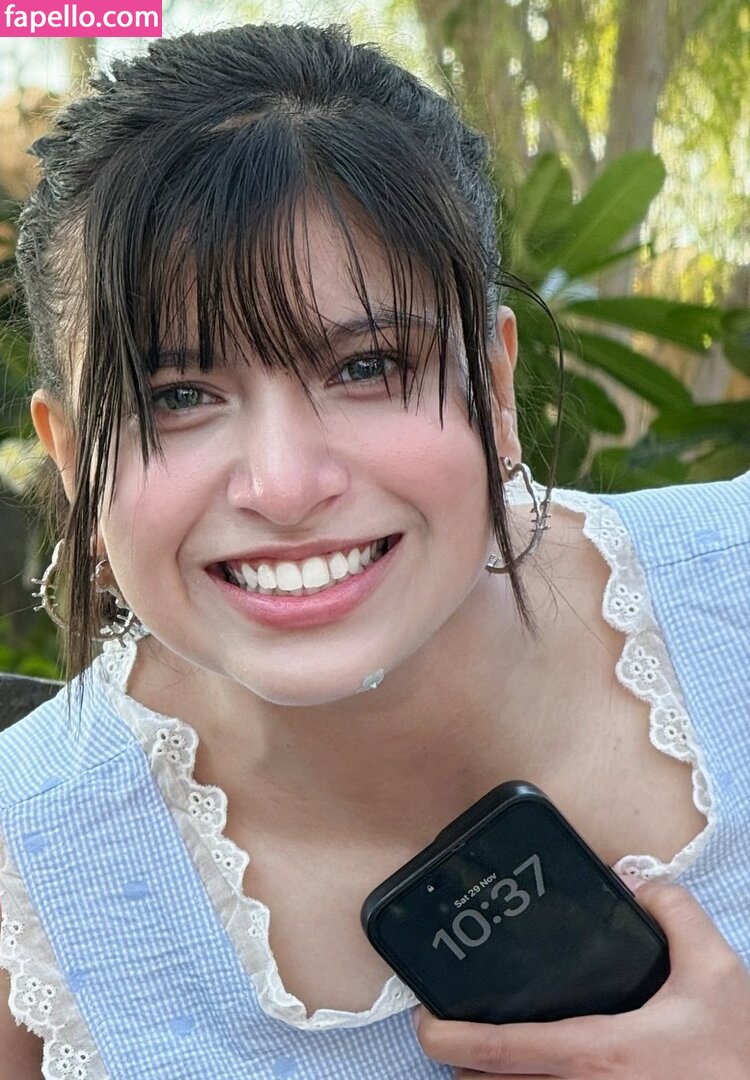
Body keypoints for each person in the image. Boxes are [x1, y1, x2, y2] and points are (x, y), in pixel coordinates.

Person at [0, 22, 748, 1080]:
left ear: (494, 387)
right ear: (75, 459)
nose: (284, 485)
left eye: (365, 367)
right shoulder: (29, 885)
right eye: (177, 396)